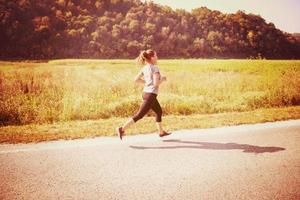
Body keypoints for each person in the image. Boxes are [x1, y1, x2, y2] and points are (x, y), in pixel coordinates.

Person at [116, 49, 172, 140]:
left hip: (146, 93)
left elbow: (136, 79)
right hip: (150, 95)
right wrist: (163, 79)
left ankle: (161, 132)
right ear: (152, 57)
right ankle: (121, 129)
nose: (157, 58)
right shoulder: (155, 68)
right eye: (156, 56)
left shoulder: (145, 68)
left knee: (158, 111)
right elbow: (156, 84)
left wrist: (146, 83)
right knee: (139, 115)